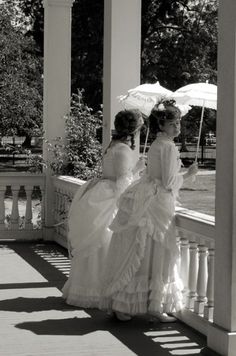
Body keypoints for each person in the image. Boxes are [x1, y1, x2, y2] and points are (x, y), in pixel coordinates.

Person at [100, 100, 198, 322]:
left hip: (149, 198)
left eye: (179, 123)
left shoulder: (156, 144)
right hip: (158, 203)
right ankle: (153, 305)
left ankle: (126, 303)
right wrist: (189, 174)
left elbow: (158, 175)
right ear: (162, 125)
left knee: (143, 251)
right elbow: (169, 182)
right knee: (154, 253)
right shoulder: (169, 147)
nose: (178, 127)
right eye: (173, 123)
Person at [62, 109, 145, 308]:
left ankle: (81, 288)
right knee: (103, 242)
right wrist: (138, 169)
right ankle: (96, 292)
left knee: (96, 244)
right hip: (108, 199)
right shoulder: (124, 150)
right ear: (133, 130)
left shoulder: (112, 145)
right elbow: (123, 185)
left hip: (99, 193)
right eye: (139, 128)